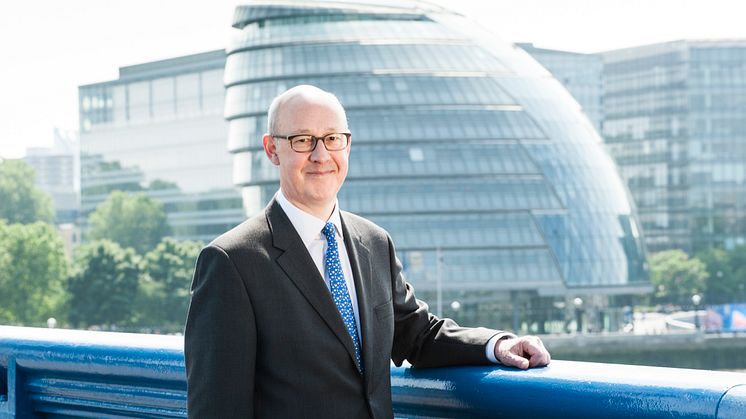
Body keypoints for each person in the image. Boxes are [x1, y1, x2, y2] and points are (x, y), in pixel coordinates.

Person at [184, 85, 550, 418]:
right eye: (302, 140)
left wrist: (497, 344)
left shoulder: (373, 242)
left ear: (348, 144)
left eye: (332, 138)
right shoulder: (232, 262)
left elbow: (417, 335)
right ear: (272, 149)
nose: (320, 154)